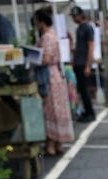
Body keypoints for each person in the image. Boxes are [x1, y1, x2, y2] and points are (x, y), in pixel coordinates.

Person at [33, 8, 74, 155]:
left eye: (36, 21)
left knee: (51, 110)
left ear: (41, 21)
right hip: (54, 74)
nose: (35, 24)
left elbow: (47, 59)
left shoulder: (47, 37)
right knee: (56, 109)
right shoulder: (52, 35)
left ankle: (51, 143)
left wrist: (32, 59)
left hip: (49, 75)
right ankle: (57, 143)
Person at [70, 5, 96, 122]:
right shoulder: (78, 28)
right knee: (81, 89)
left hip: (83, 63)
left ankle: (90, 112)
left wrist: (88, 65)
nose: (73, 18)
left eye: (75, 16)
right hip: (78, 62)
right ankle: (86, 111)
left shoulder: (87, 28)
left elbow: (91, 47)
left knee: (85, 90)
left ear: (80, 15)